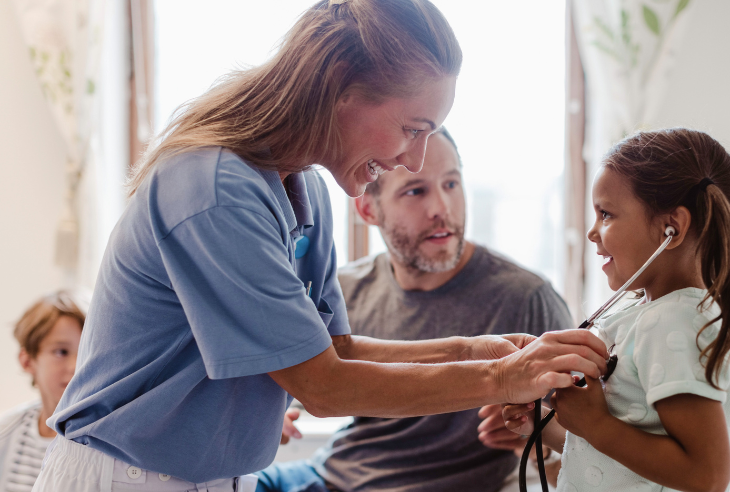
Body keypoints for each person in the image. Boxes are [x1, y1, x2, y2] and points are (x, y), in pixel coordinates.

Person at [34, 1, 609, 490]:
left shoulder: (303, 186)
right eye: (413, 128)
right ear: (338, 86)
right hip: (126, 474)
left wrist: (478, 350)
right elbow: (323, 387)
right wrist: (504, 379)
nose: (414, 156)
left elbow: (336, 350)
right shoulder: (212, 189)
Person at [255, 128, 572, 492]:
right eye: (415, 191)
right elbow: (295, 378)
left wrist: (535, 445)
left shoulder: (527, 300)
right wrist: (267, 415)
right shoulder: (346, 290)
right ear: (368, 208)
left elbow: (588, 457)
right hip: (323, 475)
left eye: (451, 184)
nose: (441, 208)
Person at [495, 128, 730, 491]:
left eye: (607, 215)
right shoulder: (648, 315)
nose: (592, 232)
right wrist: (540, 426)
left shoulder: (672, 322)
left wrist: (596, 423)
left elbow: (706, 474)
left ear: (670, 229)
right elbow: (616, 455)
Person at [0, 291, 84, 491]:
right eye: (61, 352)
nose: (77, 366)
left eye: (86, 351)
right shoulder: (6, 432)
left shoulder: (101, 440)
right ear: (28, 361)